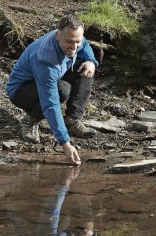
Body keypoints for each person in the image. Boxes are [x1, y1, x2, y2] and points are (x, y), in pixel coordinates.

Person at [6, 14, 98, 165]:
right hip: (22, 91)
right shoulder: (45, 57)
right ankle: (30, 119)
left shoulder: (75, 38)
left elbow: (85, 46)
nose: (74, 47)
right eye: (69, 42)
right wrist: (65, 143)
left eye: (77, 42)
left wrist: (91, 61)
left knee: (86, 68)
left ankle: (72, 120)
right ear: (57, 35)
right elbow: (51, 102)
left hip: (55, 76)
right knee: (62, 90)